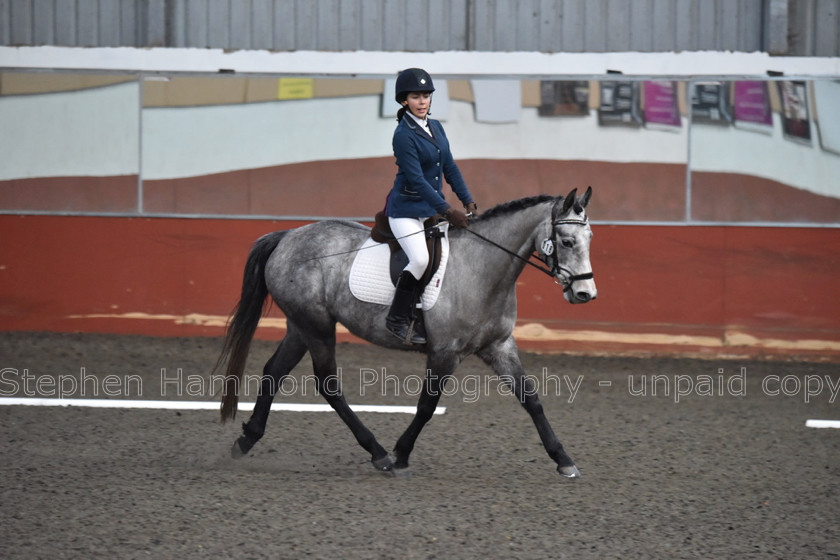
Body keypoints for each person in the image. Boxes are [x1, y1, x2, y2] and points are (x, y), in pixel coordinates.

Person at [384, 67, 478, 344]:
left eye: (426, 95)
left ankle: (430, 313)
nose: (423, 101)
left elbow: (449, 165)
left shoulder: (435, 127)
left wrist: (467, 199)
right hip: (404, 211)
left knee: (449, 257)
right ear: (405, 101)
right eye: (416, 96)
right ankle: (397, 318)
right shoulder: (403, 135)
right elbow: (417, 180)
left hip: (429, 211)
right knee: (421, 259)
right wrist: (449, 211)